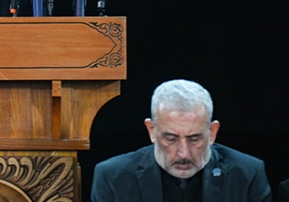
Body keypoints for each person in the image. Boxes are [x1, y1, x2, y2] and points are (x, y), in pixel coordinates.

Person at [91, 79, 272, 202]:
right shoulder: (112, 177)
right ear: (151, 130)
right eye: (171, 138)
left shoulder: (247, 174)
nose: (183, 153)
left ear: (212, 132)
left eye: (194, 139)